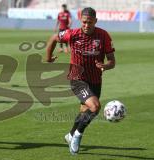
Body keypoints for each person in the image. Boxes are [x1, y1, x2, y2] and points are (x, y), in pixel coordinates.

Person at [46, 7, 115, 155]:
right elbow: (53, 38)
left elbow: (112, 61)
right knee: (95, 107)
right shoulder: (72, 34)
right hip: (77, 79)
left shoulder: (103, 36)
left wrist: (105, 66)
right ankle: (77, 136)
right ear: (80, 21)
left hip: (95, 79)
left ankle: (70, 135)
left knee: (86, 111)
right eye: (84, 22)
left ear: (95, 21)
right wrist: (48, 58)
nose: (86, 25)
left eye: (89, 22)